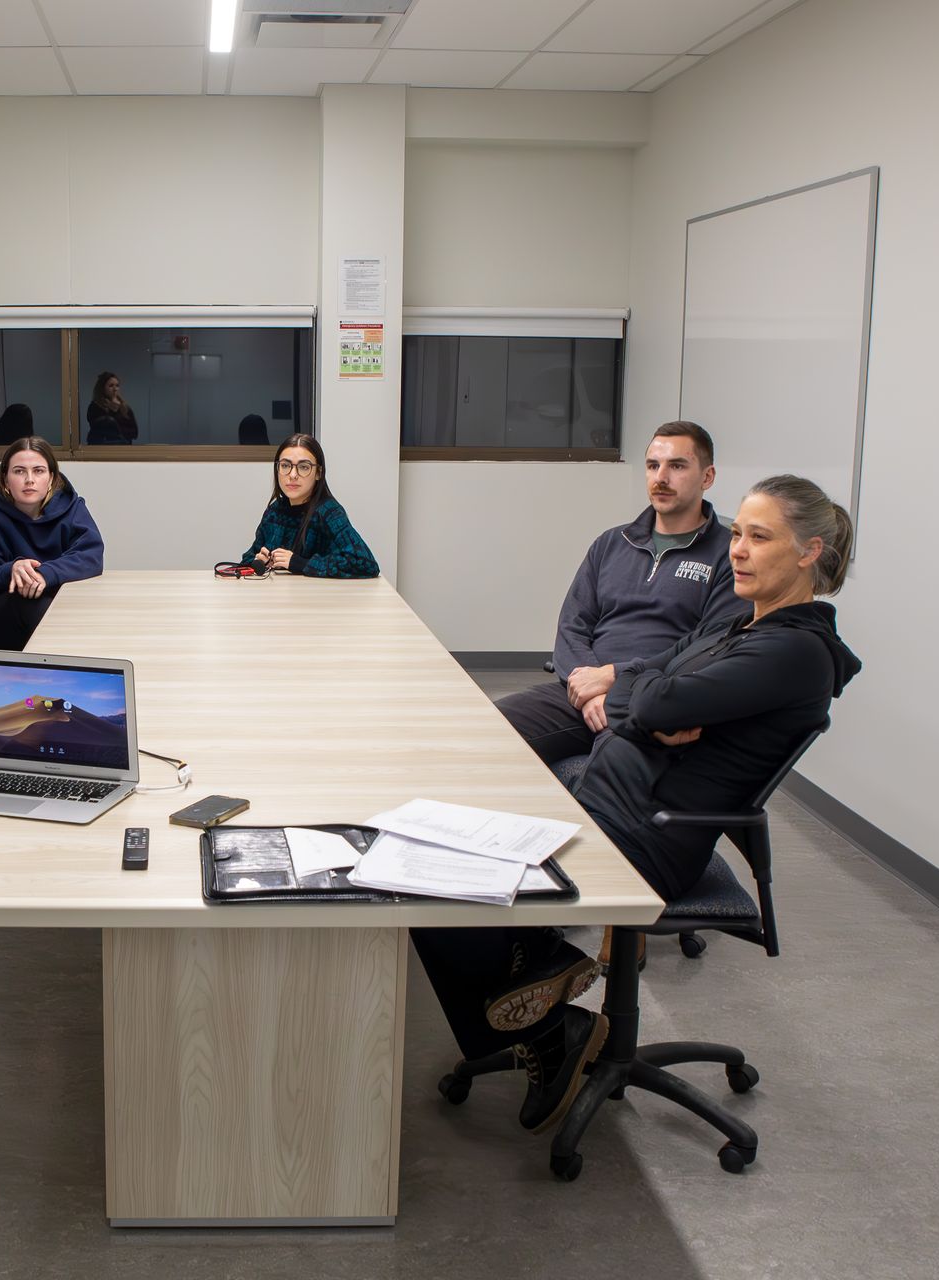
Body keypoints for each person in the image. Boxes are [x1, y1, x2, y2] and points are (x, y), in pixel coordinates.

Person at [413, 474, 860, 1138]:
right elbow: (650, 679)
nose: (737, 549)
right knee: (437, 845)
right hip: (608, 799)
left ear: (807, 552)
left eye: (759, 537)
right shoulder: (741, 622)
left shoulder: (793, 652)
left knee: (434, 888)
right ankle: (540, 996)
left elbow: (651, 698)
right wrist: (649, 701)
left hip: (647, 835)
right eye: (736, 533)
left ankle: (547, 1014)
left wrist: (648, 702)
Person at [498, 421, 741, 766]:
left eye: (677, 466)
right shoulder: (613, 543)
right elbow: (572, 626)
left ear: (707, 477)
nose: (661, 477)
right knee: (490, 729)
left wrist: (615, 683)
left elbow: (708, 650)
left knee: (609, 769)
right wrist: (589, 689)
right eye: (653, 465)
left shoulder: (729, 556)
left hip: (651, 700)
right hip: (581, 692)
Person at [0, 436, 104, 650]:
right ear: (6, 480)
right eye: (19, 471)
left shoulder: (73, 509)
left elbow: (90, 555)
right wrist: (13, 570)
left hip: (59, 613)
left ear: (51, 478)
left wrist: (44, 574)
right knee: (28, 601)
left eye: (38, 471)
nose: (29, 479)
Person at [236, 433, 379, 578]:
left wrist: (301, 564)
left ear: (318, 473)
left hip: (317, 597)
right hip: (280, 596)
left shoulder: (328, 512)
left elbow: (365, 563)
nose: (292, 475)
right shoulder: (275, 510)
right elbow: (248, 557)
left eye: (304, 467)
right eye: (285, 465)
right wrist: (258, 561)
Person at [85, 371, 138, 444]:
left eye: (117, 385)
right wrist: (112, 410)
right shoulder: (95, 406)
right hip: (102, 450)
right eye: (111, 386)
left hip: (123, 449)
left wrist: (116, 410)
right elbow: (101, 430)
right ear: (102, 388)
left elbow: (134, 433)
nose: (115, 389)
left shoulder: (125, 407)